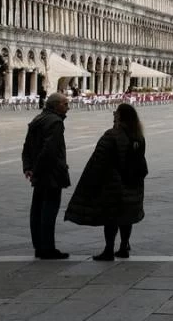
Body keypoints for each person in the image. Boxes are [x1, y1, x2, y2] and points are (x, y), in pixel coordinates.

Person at [65, 103, 148, 261]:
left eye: (115, 113)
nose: (113, 115)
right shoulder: (138, 136)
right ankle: (124, 246)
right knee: (126, 215)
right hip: (133, 182)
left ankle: (109, 250)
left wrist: (91, 182)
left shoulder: (112, 135)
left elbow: (99, 160)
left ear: (120, 116)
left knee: (111, 217)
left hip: (113, 183)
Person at [21, 92, 71, 260]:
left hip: (40, 173)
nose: (68, 107)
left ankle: (39, 247)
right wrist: (38, 169)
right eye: (65, 104)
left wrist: (28, 167)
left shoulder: (38, 118)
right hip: (51, 174)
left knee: (37, 210)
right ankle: (48, 248)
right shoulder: (55, 122)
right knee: (49, 211)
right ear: (56, 105)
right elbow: (49, 150)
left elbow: (26, 146)